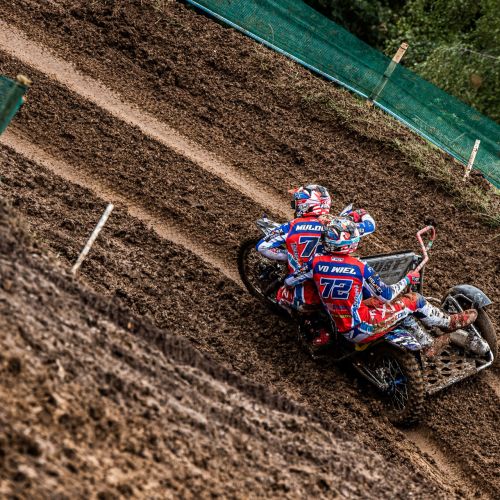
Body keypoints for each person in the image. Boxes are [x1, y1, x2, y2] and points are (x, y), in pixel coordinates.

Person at [285, 215, 480, 349]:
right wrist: (407, 279)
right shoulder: (359, 267)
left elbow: (291, 280)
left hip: (341, 320)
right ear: (348, 244)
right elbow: (387, 294)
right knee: (414, 299)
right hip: (362, 327)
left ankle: (425, 337)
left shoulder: (315, 263)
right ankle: (448, 323)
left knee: (378, 302)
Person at [257, 185, 374, 346]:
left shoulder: (292, 226)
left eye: (296, 202)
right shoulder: (337, 228)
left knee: (280, 297)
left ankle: (312, 328)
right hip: (336, 282)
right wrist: (361, 213)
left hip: (307, 289)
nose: (294, 206)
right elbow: (370, 225)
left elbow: (262, 247)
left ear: (305, 205)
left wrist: (287, 255)